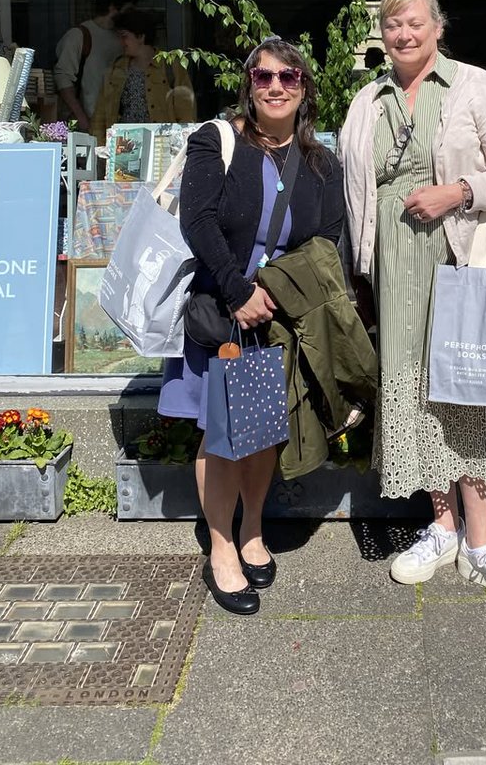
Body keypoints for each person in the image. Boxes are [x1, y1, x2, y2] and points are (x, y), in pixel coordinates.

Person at [341, 0, 486, 609]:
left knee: (472, 391)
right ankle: (442, 526)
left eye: (414, 23)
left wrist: (456, 192)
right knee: (418, 394)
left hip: (462, 261)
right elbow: (354, 191)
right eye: (392, 24)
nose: (402, 34)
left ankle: (484, 542)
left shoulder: (473, 86)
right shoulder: (368, 100)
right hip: (396, 271)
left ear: (437, 27)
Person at [157, 39, 347, 616]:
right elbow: (198, 219)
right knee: (221, 434)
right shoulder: (217, 142)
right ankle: (220, 547)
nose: (275, 86)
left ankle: (253, 530)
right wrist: (240, 292)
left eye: (288, 76)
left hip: (279, 315)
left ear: (304, 87)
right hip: (224, 306)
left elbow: (329, 238)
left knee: (263, 432)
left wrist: (281, 293)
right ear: (249, 83)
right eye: (263, 76)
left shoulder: (320, 162)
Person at [90, 8, 195, 142]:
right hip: (123, 146)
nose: (121, 42)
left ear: (141, 36)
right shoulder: (116, 69)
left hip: (161, 146)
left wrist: (182, 148)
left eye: (125, 36)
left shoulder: (170, 67)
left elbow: (186, 113)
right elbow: (100, 115)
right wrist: (99, 149)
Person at [53, 0, 135, 132]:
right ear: (112, 7)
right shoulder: (80, 36)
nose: (131, 15)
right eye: (128, 9)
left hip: (119, 123)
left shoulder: (124, 38)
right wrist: (81, 118)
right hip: (89, 122)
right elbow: (63, 78)